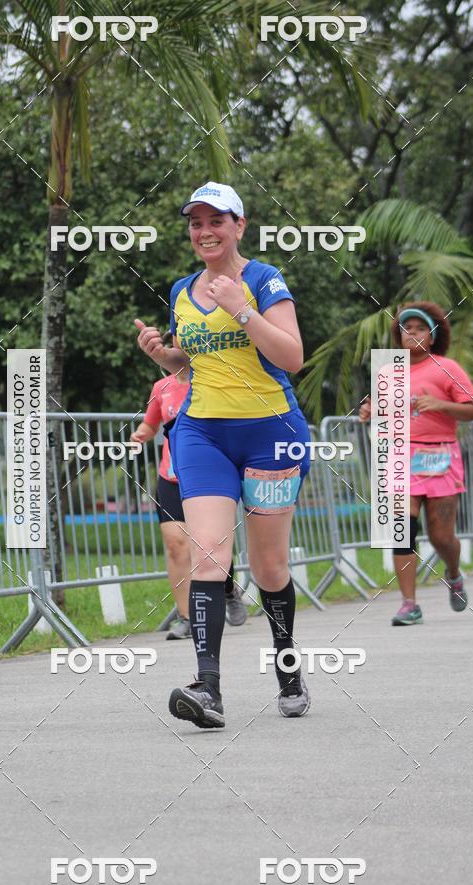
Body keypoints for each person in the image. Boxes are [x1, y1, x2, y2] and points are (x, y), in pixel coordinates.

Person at [135, 181, 311, 729]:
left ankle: (288, 670)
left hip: (271, 433)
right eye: (196, 223)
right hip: (202, 432)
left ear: (240, 225)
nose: (205, 232)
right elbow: (196, 363)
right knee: (207, 552)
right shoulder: (182, 289)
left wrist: (242, 311)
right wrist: (165, 357)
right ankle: (206, 689)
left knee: (268, 567)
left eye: (217, 221)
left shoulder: (263, 280)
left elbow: (292, 355)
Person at [359, 302, 473, 625]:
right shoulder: (387, 371)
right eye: (405, 328)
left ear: (432, 336)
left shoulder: (448, 368)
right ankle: (409, 604)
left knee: (441, 537)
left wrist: (440, 404)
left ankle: (453, 574)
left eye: (419, 328)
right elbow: (379, 410)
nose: (411, 333)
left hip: (440, 456)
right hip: (400, 457)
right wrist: (370, 413)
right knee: (401, 530)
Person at [130, 341, 247, 639]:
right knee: (176, 546)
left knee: (209, 546)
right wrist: (140, 435)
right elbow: (151, 424)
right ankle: (186, 618)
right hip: (170, 476)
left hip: (207, 477)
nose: (175, 351)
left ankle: (229, 590)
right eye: (171, 344)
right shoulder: (161, 387)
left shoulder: (210, 381)